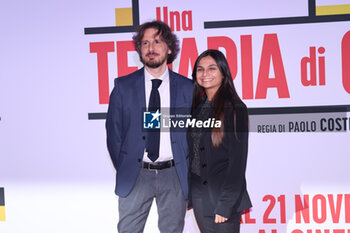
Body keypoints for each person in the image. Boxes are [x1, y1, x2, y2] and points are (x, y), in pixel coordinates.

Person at [106, 20, 193, 233]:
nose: (151, 48)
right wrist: (129, 164)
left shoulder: (188, 88)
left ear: (170, 48)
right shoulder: (123, 87)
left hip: (174, 174)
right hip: (136, 174)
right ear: (139, 49)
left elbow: (194, 136)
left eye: (157, 41)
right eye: (145, 43)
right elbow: (114, 135)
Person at [187, 49, 252, 233]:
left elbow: (238, 162)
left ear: (223, 73)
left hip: (223, 195)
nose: (205, 74)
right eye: (200, 69)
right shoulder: (196, 108)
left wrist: (225, 204)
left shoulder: (235, 108)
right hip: (199, 192)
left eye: (211, 68)